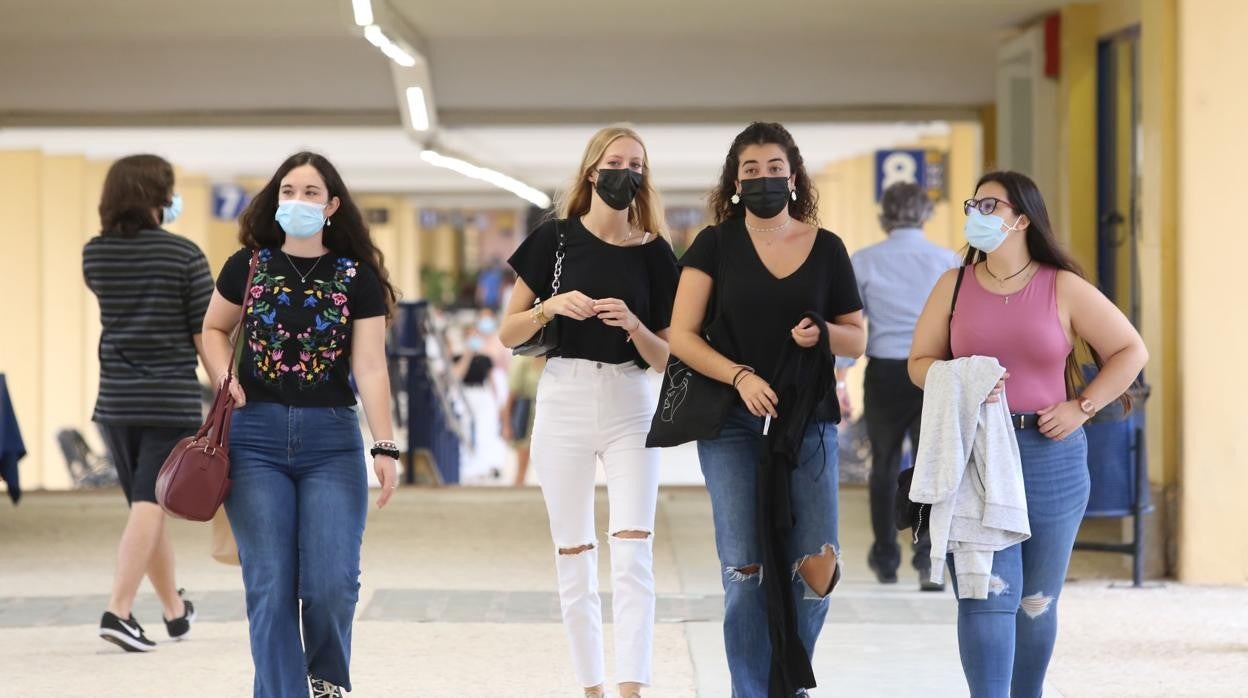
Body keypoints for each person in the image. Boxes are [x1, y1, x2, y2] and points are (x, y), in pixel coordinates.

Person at [908, 171, 1148, 697]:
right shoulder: (953, 285)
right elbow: (920, 363)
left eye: (990, 205)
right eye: (974, 203)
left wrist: (1082, 407)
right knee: (985, 594)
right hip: (974, 454)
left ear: (1021, 218)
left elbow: (1131, 350)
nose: (977, 213)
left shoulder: (1060, 285)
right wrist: (964, 380)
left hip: (1050, 455)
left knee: (1034, 601)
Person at [668, 121, 866, 696]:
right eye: (750, 171)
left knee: (818, 566)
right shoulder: (714, 244)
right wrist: (739, 375)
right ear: (734, 182)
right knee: (746, 571)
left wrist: (822, 333)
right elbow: (681, 334)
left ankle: (789, 677)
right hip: (731, 424)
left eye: (774, 169)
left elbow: (857, 336)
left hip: (810, 425)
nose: (763, 179)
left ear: (794, 177)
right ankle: (753, 690)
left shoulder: (826, 247)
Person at [200, 152, 400, 698]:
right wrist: (224, 378)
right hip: (254, 439)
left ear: (332, 206)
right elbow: (214, 329)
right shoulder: (247, 266)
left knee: (332, 583)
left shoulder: (358, 278)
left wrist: (385, 446)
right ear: (275, 200)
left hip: (331, 442)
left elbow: (371, 365)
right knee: (269, 585)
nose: (299, 201)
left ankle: (326, 682)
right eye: (289, 190)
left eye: (312, 192)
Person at [498, 124, 679, 698]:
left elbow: (667, 358)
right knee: (573, 552)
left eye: (636, 164)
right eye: (615, 161)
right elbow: (509, 331)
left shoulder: (655, 253)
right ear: (591, 171)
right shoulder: (554, 240)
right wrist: (550, 307)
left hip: (631, 400)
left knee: (634, 549)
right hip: (565, 397)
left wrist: (635, 325)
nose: (626, 172)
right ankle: (591, 686)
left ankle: (631, 688)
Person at [84, 154, 209, 652]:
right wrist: (229, 387)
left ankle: (175, 613)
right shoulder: (184, 255)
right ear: (157, 197)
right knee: (150, 504)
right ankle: (118, 610)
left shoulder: (95, 253)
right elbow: (204, 334)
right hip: (169, 399)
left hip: (115, 401)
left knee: (146, 507)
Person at [852, 182, 961, 590]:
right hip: (932, 373)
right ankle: (926, 557)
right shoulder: (947, 261)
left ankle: (885, 556)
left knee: (882, 464)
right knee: (929, 463)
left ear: (884, 217)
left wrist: (842, 372)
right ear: (926, 215)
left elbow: (852, 324)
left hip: (883, 372)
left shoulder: (863, 261)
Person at [502, 354, 544, 486]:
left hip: (547, 413)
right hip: (526, 414)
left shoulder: (553, 358)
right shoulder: (522, 359)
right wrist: (507, 425)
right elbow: (510, 397)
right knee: (522, 464)